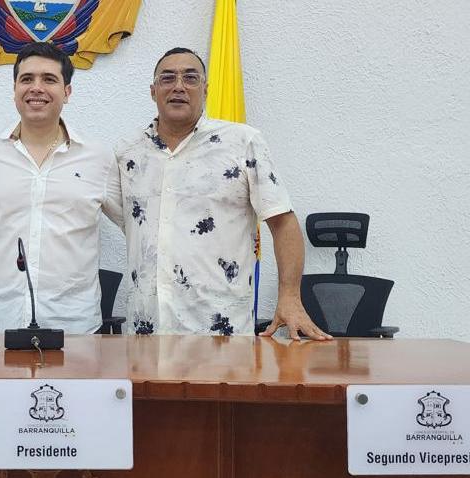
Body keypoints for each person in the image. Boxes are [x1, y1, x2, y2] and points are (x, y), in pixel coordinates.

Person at [115, 47, 331, 340]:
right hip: (145, 332)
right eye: (167, 78)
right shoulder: (127, 155)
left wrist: (290, 297)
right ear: (153, 91)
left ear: (205, 89)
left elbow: (283, 221)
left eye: (190, 78)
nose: (179, 86)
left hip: (219, 334)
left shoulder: (242, 142)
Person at [0, 42, 122, 334]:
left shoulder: (99, 158)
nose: (36, 88)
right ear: (14, 90)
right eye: (27, 79)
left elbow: (136, 225)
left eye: (49, 79)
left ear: (67, 92)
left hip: (75, 329)